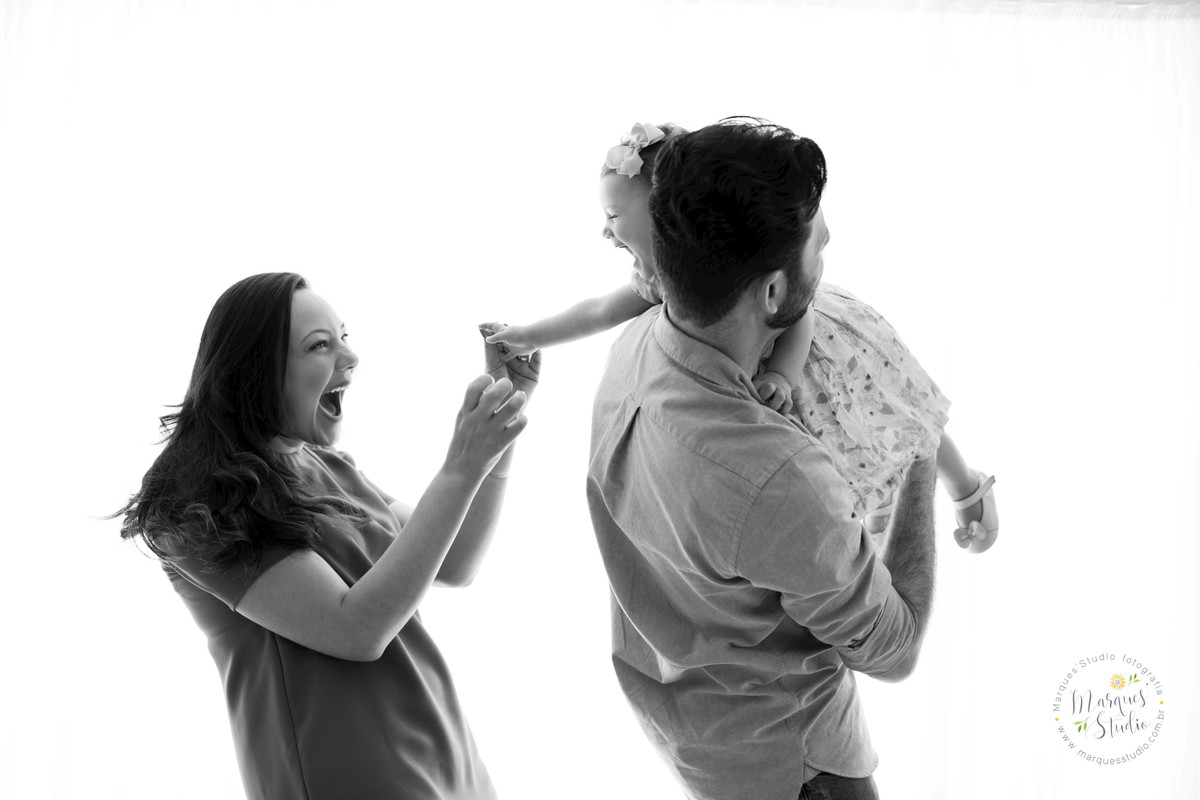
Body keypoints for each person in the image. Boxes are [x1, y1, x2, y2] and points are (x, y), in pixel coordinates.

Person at [585, 118, 938, 800]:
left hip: (696, 740)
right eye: (820, 248)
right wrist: (917, 446)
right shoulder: (778, 477)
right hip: (798, 770)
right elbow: (895, 650)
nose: (827, 257)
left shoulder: (631, 353)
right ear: (773, 293)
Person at [115, 272, 538, 800]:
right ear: (254, 369)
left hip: (449, 770)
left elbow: (456, 561)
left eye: (344, 336)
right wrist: (461, 465)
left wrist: (499, 429)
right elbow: (355, 630)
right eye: (320, 345)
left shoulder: (325, 464)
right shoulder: (197, 501)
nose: (351, 356)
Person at [485, 121, 997, 551]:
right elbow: (598, 310)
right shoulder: (657, 279)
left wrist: (782, 375)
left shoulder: (753, 280)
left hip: (820, 355)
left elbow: (800, 316)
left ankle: (966, 486)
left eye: (614, 217)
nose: (605, 230)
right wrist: (530, 335)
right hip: (781, 373)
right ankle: (883, 515)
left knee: (904, 420)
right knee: (844, 459)